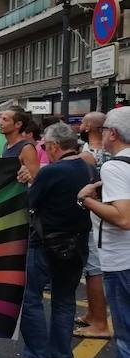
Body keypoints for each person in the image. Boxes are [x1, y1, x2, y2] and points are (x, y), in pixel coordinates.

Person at [10, 123, 92, 358]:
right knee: (65, 301)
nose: (43, 149)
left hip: (46, 243)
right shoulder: (87, 168)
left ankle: (38, 356)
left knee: (30, 298)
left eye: (44, 146)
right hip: (77, 243)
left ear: (55, 146)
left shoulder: (52, 172)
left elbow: (31, 202)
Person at [76, 107, 130, 358]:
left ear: (112, 134)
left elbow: (123, 218)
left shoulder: (114, 167)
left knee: (125, 338)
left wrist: (86, 199)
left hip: (122, 261)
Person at [76, 112, 113, 338]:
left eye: (83, 121)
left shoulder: (88, 154)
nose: (80, 125)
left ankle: (99, 321)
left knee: (93, 268)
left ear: (89, 126)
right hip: (108, 210)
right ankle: (92, 313)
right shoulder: (112, 151)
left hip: (95, 213)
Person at [0, 106, 40, 179]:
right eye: (1, 119)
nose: (0, 123)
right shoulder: (7, 144)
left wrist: (28, 177)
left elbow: (36, 180)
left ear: (18, 124)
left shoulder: (26, 148)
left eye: (5, 120)